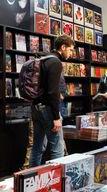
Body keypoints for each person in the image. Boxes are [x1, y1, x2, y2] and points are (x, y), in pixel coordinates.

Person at [29, 35, 74, 167]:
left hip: (36, 108)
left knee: (37, 148)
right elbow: (53, 92)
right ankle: (56, 184)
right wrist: (56, 117)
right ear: (63, 47)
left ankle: (31, 179)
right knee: (57, 150)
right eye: (70, 50)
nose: (71, 53)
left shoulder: (42, 59)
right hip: (48, 110)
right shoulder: (55, 62)